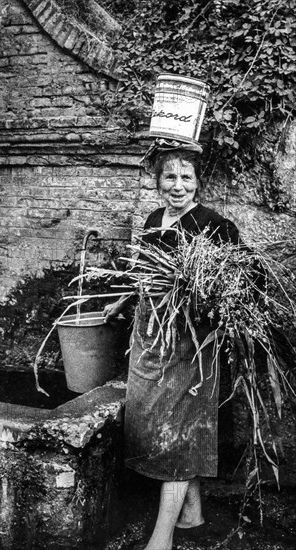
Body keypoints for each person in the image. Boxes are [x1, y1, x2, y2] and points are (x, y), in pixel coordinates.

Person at [104, 146, 242, 550]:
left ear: (198, 182)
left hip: (191, 344)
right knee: (158, 425)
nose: (177, 186)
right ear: (158, 181)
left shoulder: (215, 226)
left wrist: (203, 296)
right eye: (170, 177)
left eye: (186, 178)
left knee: (178, 431)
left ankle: (160, 540)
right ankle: (192, 516)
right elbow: (144, 274)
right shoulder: (152, 220)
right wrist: (123, 300)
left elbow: (231, 290)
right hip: (152, 338)